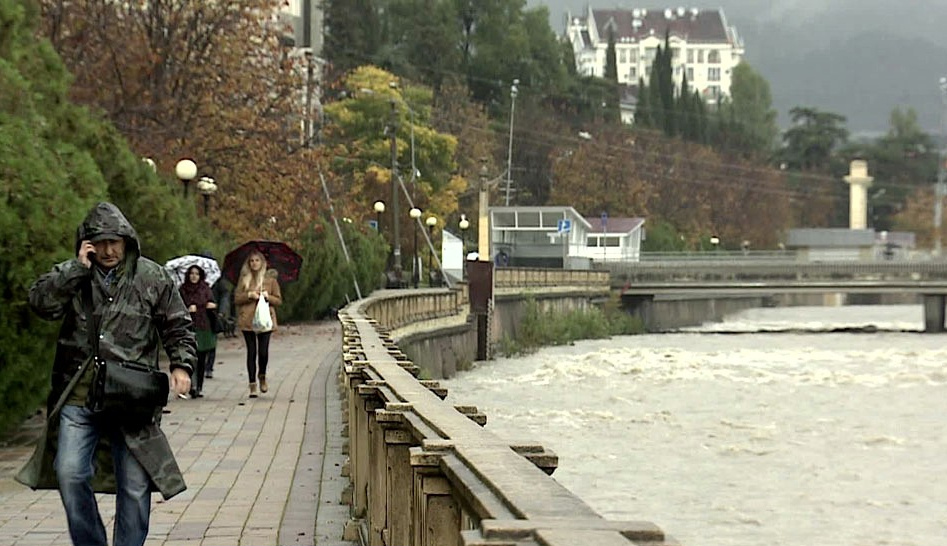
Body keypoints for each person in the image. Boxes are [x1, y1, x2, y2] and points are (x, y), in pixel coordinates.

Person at [16, 202, 195, 546]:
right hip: (79, 395)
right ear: (87, 244)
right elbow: (40, 303)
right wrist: (73, 270)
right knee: (69, 472)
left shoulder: (151, 277)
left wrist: (181, 365)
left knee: (135, 485)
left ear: (127, 241)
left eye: (115, 241)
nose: (109, 250)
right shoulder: (75, 278)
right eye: (100, 242)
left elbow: (178, 325)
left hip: (131, 396)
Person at [233, 251, 281, 398]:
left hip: (265, 320)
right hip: (248, 320)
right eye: (251, 261)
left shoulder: (270, 280)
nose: (254, 263)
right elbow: (236, 299)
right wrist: (249, 295)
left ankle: (262, 375)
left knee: (263, 352)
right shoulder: (244, 279)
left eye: (257, 260)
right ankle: (252, 384)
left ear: (262, 263)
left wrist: (268, 297)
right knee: (251, 352)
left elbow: (278, 300)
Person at [178, 265, 217, 397]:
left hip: (203, 326)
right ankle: (190, 385)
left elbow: (212, 302)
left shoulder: (205, 289)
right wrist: (187, 309)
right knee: (189, 356)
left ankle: (198, 386)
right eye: (192, 273)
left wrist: (210, 305)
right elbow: (177, 305)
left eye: (197, 274)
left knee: (201, 358)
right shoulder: (182, 290)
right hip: (188, 326)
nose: (194, 276)